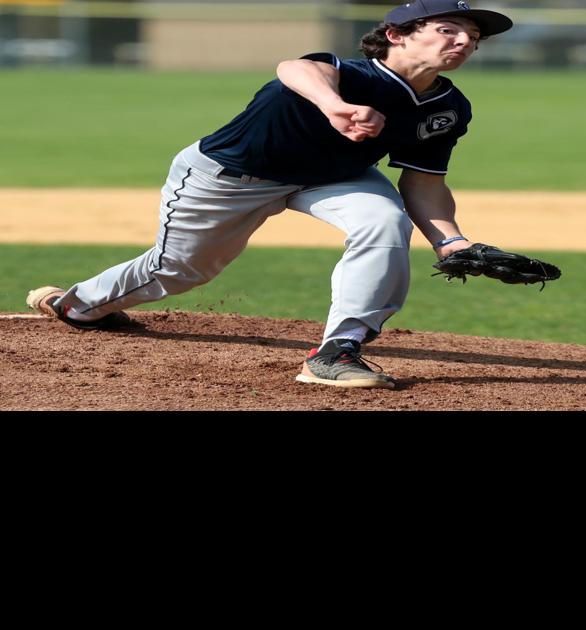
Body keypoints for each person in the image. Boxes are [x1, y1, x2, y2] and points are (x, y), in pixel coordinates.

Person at [25, 0, 514, 390]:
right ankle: (79, 306)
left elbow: (423, 182)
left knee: (384, 222)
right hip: (231, 178)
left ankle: (337, 352)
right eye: (448, 28)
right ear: (396, 34)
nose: (466, 39)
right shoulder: (343, 74)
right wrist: (335, 107)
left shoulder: (447, 106)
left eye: (473, 34)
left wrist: (451, 242)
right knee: (181, 270)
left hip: (335, 178)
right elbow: (295, 67)